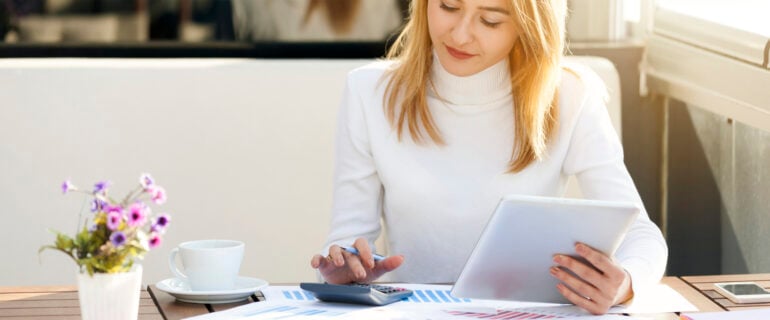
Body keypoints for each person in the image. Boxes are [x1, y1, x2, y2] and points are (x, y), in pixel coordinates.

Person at [309, 0, 668, 315]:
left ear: (529, 26)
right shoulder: (369, 92)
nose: (460, 35)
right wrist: (345, 268)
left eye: (491, 20)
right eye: (448, 7)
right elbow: (346, 238)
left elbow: (641, 234)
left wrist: (625, 285)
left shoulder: (570, 95)